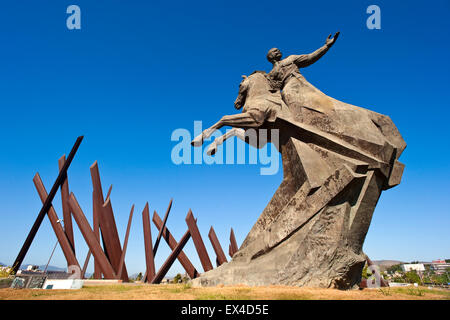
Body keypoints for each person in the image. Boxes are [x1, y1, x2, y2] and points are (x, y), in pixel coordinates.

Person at [266, 32, 340, 91]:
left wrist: (326, 46)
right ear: (270, 56)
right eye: (275, 51)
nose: (278, 51)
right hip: (286, 89)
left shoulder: (290, 58)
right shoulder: (271, 73)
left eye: (278, 50)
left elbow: (310, 57)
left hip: (297, 83)